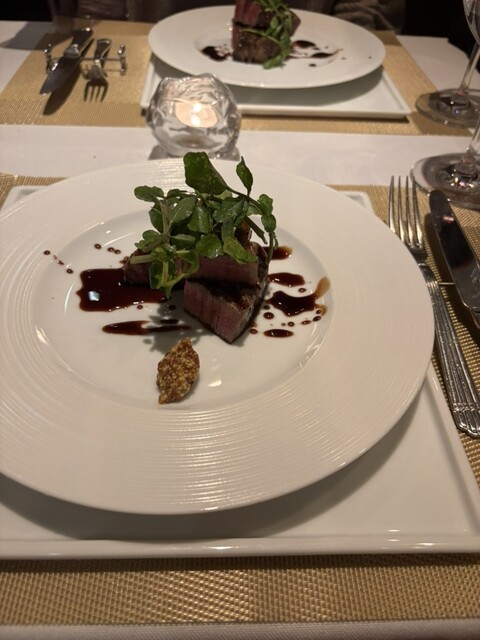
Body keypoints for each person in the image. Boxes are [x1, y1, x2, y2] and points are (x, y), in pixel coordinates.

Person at [65, 0, 405, 33]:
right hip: (155, 62)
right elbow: (99, 13)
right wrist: (94, 23)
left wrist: (355, 37)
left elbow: (364, 9)